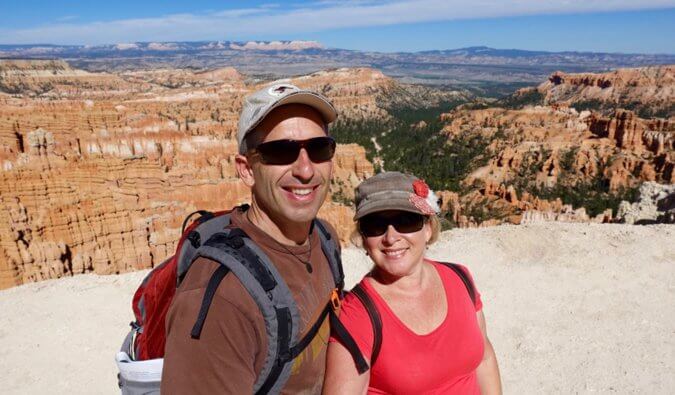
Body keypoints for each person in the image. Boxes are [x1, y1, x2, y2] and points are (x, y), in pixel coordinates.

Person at [161, 83, 343, 394]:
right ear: (246, 170)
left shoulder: (325, 239)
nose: (305, 169)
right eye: (281, 152)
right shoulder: (222, 298)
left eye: (319, 148)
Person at [324, 171, 502, 394]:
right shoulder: (358, 315)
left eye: (406, 221)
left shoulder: (460, 278)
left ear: (428, 229)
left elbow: (484, 359)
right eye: (375, 225)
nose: (391, 237)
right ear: (364, 239)